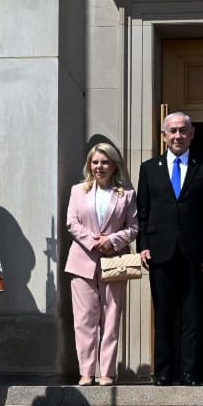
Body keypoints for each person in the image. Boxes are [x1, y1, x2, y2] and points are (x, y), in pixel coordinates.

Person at [136, 111, 203, 387]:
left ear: (192, 134)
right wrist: (143, 246)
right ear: (163, 136)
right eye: (172, 131)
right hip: (160, 252)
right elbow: (143, 212)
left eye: (183, 130)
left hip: (194, 253)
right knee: (164, 315)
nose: (178, 136)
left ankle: (189, 371)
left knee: (192, 315)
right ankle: (163, 371)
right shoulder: (149, 169)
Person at [64, 141, 139, 386]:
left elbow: (134, 227)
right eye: (95, 162)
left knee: (111, 318)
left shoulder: (126, 194)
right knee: (84, 319)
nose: (99, 166)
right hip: (82, 261)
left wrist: (113, 240)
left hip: (114, 262)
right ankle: (86, 371)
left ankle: (107, 371)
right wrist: (94, 241)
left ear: (114, 165)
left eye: (104, 162)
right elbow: (72, 223)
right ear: (89, 165)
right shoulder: (78, 191)